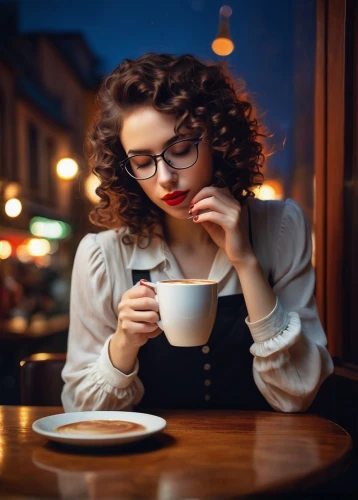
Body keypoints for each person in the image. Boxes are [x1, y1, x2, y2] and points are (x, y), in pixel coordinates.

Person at [61, 53, 333, 413]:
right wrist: (123, 343)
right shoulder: (103, 254)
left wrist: (246, 262)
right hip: (146, 465)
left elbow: (297, 393)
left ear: (218, 140)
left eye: (181, 149)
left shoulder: (281, 227)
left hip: (264, 461)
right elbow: (80, 413)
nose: (165, 178)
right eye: (142, 162)